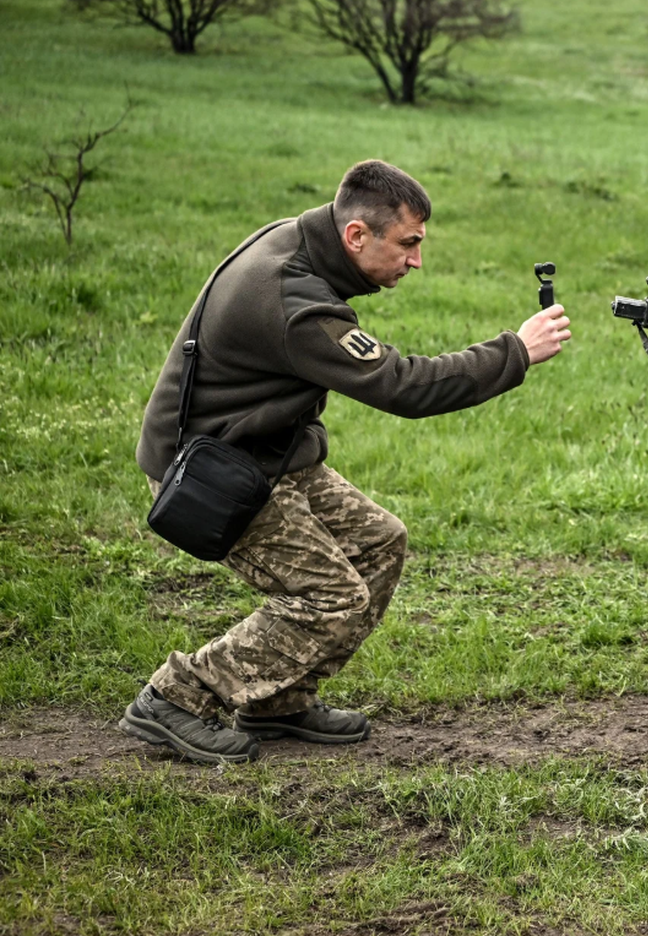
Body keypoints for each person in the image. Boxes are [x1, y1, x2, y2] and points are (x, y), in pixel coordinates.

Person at [120, 159, 571, 763]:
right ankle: (177, 697)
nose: (416, 261)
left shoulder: (304, 240)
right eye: (408, 245)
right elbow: (403, 387)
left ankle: (276, 700)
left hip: (266, 452)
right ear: (357, 236)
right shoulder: (295, 301)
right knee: (332, 599)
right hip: (215, 473)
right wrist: (515, 351)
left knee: (380, 541)